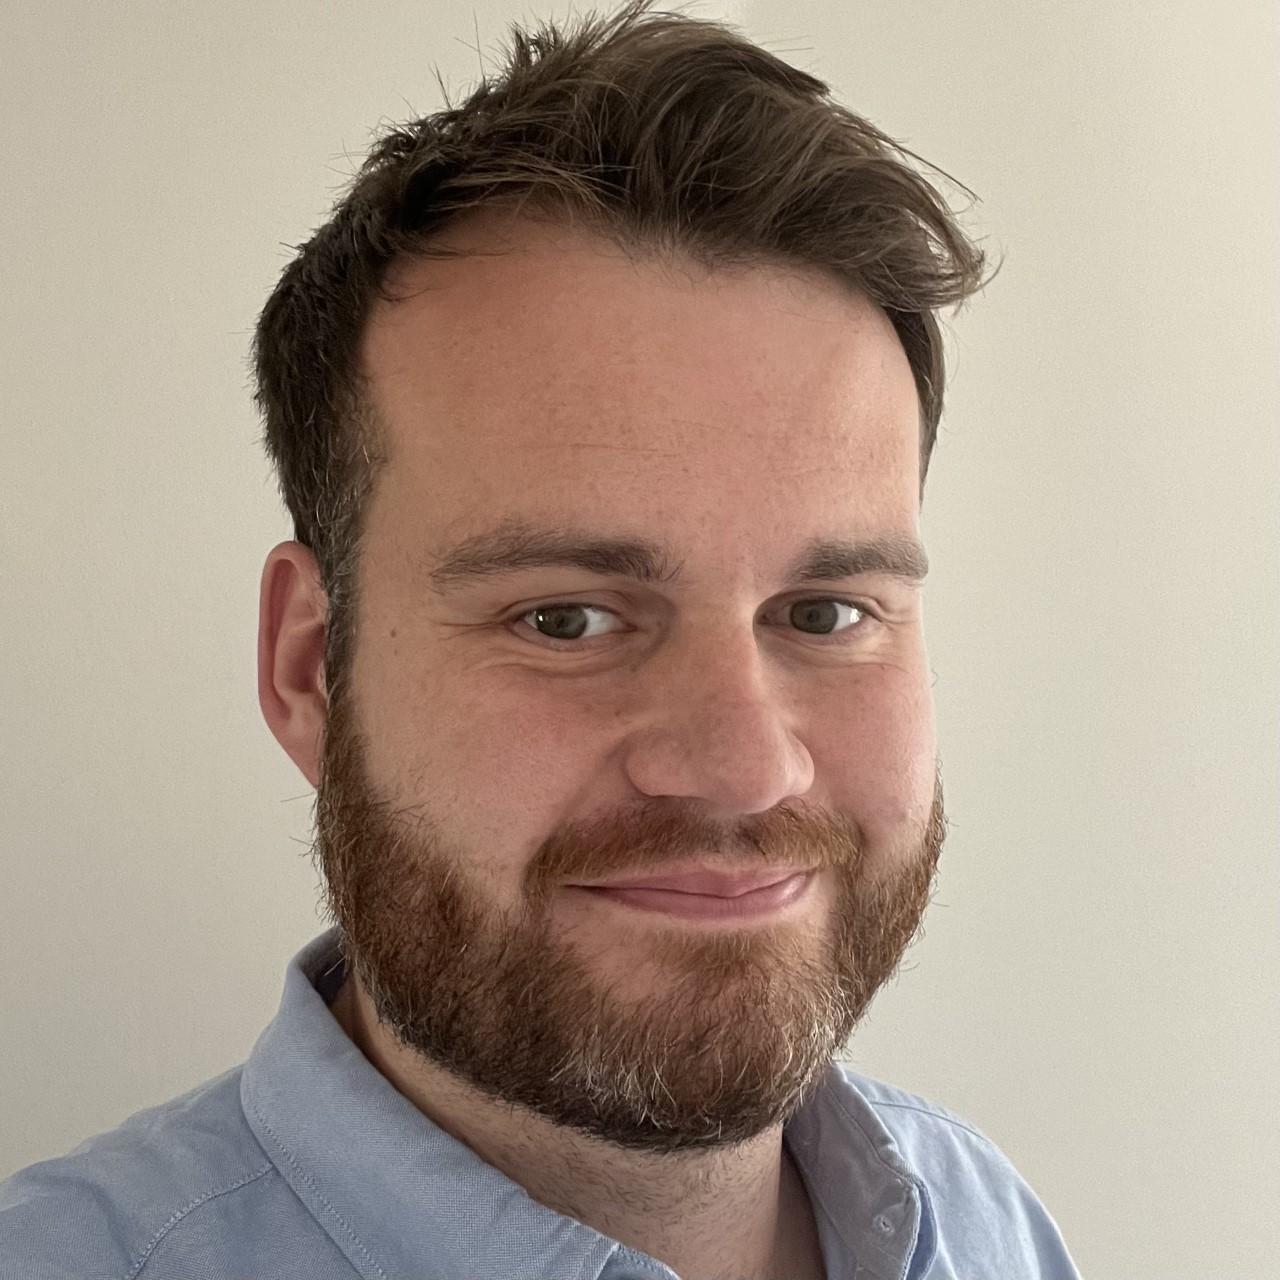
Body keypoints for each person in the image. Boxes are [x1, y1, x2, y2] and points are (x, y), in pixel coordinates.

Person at [0, 2, 1082, 1277]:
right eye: (565, 617)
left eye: (824, 612)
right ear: (310, 670)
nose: (743, 766)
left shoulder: (982, 1220)